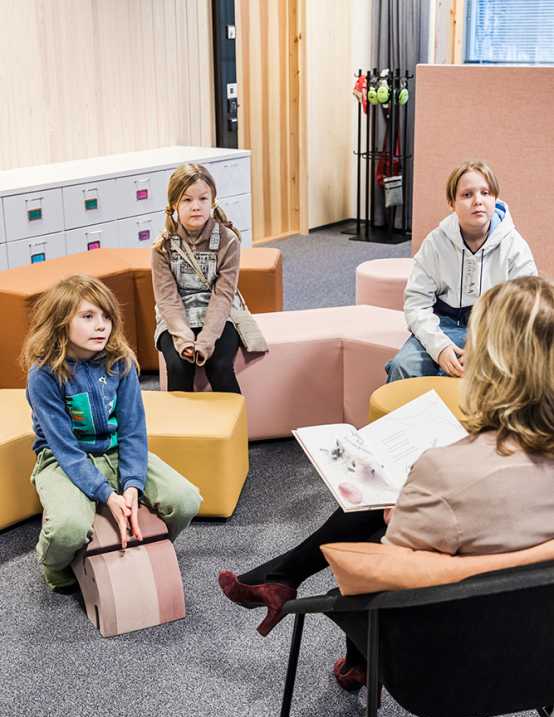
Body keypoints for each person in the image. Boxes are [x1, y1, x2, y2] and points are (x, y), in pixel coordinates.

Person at [219, 276, 554, 689]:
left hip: (443, 655)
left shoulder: (446, 471)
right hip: (536, 644)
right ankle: (282, 577)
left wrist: (400, 515)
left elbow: (380, 579)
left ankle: (294, 588)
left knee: (373, 518)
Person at [23, 274, 202, 591]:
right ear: (61, 322)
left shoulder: (121, 361)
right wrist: (105, 493)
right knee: (67, 529)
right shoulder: (44, 373)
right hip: (63, 459)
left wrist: (131, 486)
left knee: (185, 500)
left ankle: (147, 543)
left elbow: (134, 430)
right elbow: (64, 448)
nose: (101, 326)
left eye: (106, 316)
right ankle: (58, 569)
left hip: (116, 450)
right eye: (88, 316)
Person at [386, 160, 537, 382]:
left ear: (494, 198)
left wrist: (485, 347)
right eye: (467, 195)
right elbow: (416, 303)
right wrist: (440, 347)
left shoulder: (515, 246)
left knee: (486, 378)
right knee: (403, 367)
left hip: (493, 331)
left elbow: (526, 310)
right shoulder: (435, 243)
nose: (478, 201)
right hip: (443, 325)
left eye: (485, 193)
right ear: (451, 204)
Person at [152, 163, 243, 393]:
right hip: (176, 315)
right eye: (187, 200)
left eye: (203, 199)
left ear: (212, 201)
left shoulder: (228, 240)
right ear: (174, 204)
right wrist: (184, 340)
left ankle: (234, 427)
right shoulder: (162, 247)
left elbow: (223, 295)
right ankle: (182, 428)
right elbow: (167, 299)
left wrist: (205, 341)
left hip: (218, 312)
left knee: (220, 365)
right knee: (178, 365)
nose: (196, 207)